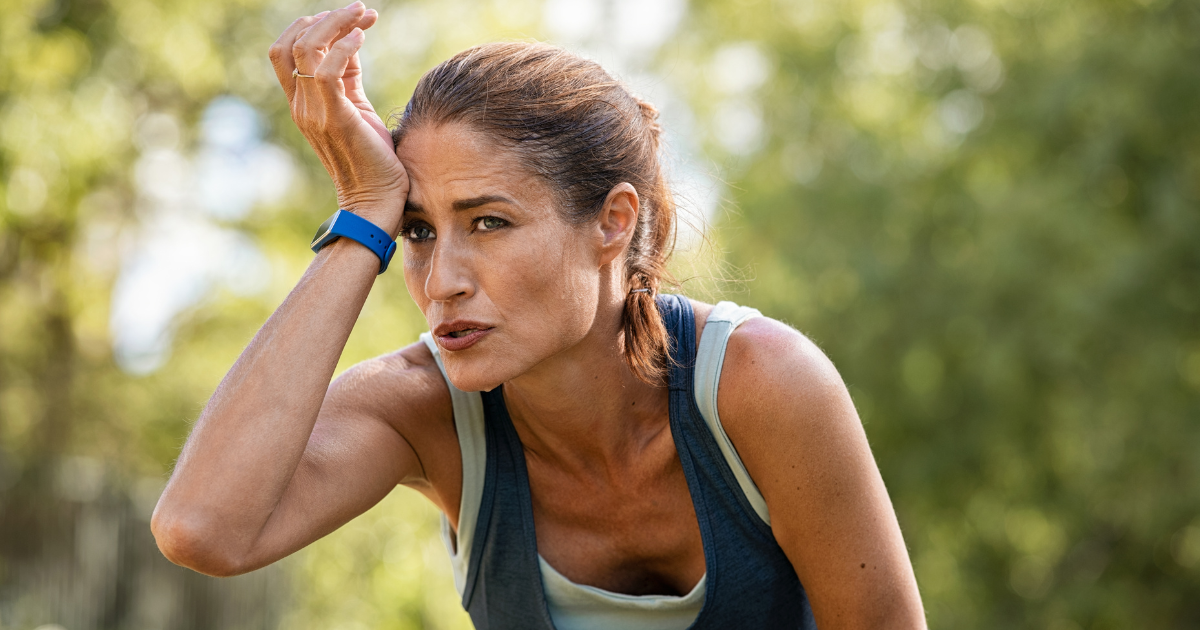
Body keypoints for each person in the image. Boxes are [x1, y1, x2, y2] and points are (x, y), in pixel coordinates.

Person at [151, 2, 926, 628]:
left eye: (488, 222)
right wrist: (362, 215)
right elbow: (201, 529)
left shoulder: (759, 387)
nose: (440, 281)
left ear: (611, 223)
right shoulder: (426, 409)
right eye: (418, 230)